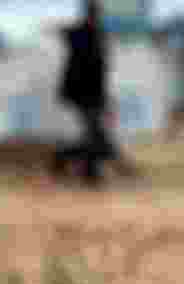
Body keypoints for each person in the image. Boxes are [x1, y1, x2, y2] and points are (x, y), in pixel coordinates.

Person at [52, 0, 136, 186]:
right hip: (84, 93)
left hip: (88, 92)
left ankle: (66, 159)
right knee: (95, 134)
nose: (97, 17)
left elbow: (99, 69)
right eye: (96, 14)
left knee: (96, 134)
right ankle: (90, 172)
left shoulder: (88, 35)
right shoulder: (87, 35)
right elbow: (95, 69)